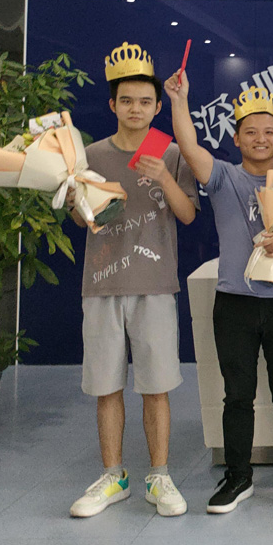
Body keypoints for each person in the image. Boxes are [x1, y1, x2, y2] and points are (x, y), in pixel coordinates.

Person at [166, 73, 273, 514]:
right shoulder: (223, 177)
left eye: (268, 131)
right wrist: (180, 99)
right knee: (237, 394)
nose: (260, 138)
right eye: (250, 132)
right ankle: (238, 476)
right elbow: (189, 146)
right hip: (234, 301)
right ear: (236, 138)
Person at [68, 42, 200, 519]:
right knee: (106, 386)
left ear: (158, 106)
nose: (136, 109)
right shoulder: (89, 154)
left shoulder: (168, 151)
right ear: (112, 105)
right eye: (126, 100)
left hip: (155, 283)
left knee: (156, 385)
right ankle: (114, 476)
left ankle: (159, 475)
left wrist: (163, 177)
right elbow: (81, 219)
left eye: (145, 101)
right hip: (101, 284)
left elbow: (187, 214)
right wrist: (84, 203)